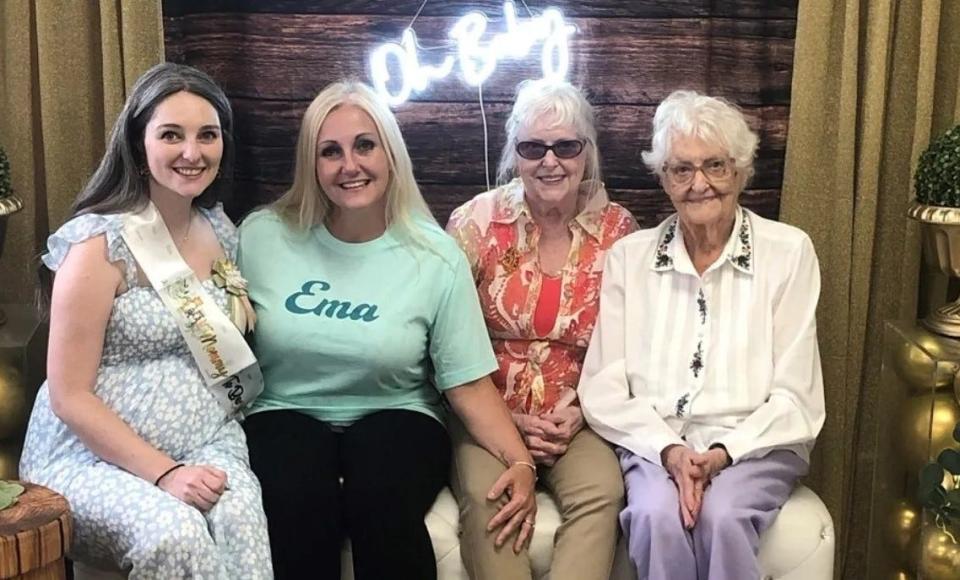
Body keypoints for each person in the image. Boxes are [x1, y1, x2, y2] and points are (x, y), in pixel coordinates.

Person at [237, 80, 536, 580]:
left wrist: (520, 461)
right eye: (329, 151)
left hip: (399, 415)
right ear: (311, 165)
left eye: (364, 146)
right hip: (282, 412)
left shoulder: (435, 255)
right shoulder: (261, 236)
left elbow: (465, 383)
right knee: (295, 497)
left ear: (391, 153)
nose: (349, 165)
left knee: (380, 492)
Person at [19, 62, 272, 578]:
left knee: (244, 519)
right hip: (92, 458)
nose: (191, 152)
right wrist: (165, 474)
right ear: (139, 144)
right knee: (173, 535)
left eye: (207, 135)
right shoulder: (98, 244)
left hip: (208, 439)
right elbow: (69, 396)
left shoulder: (222, 233)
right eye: (171, 135)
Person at [578, 89, 826, 580]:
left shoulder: (789, 252)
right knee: (654, 516)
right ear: (663, 178)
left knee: (724, 515)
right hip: (656, 443)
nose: (699, 185)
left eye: (715, 166)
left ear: (740, 171)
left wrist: (722, 455)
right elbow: (603, 386)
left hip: (757, 444)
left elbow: (796, 396)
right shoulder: (630, 257)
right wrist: (670, 452)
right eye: (681, 169)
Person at [445, 79, 637, 580]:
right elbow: (443, 341)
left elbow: (635, 342)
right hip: (487, 414)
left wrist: (583, 407)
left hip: (575, 421)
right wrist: (503, 415)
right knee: (492, 495)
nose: (550, 161)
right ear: (515, 154)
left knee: (604, 491)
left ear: (587, 152)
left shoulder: (620, 233)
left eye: (566, 146)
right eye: (533, 147)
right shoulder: (474, 225)